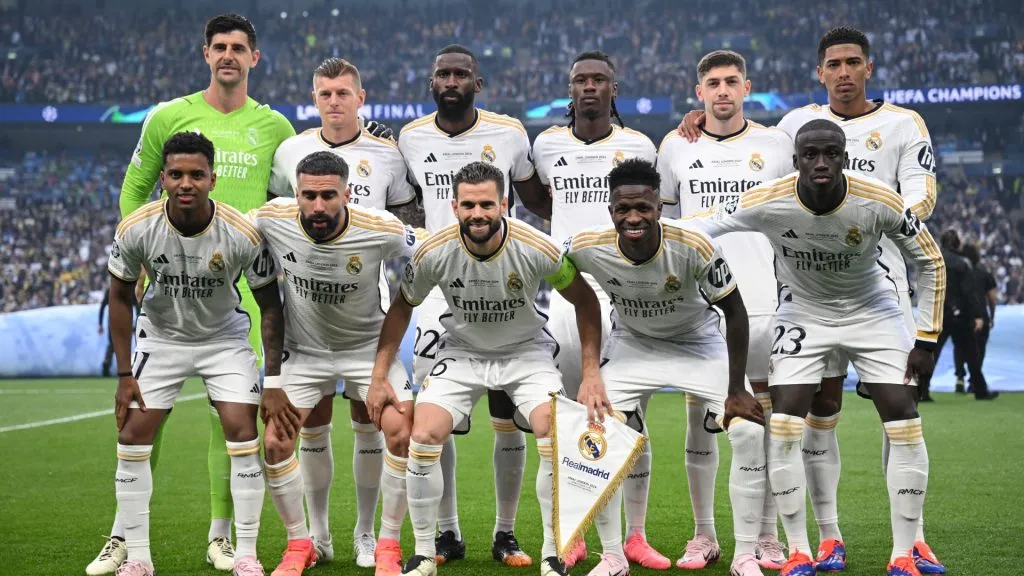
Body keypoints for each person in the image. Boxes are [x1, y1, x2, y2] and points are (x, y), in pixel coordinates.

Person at [677, 27, 944, 574]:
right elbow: (740, 177)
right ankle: (821, 540)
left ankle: (911, 542)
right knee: (815, 411)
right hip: (803, 298)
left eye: (853, 62)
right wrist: (697, 129)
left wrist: (881, 222)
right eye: (833, 64)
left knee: (897, 408)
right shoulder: (792, 126)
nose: (843, 72)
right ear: (819, 72)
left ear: (868, 67)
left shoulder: (902, 127)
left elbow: (922, 208)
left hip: (879, 277)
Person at [90, 14, 295, 575]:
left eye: (239, 48)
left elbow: (291, 199)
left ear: (255, 58)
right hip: (170, 282)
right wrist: (149, 253)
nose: (228, 55)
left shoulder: (276, 126)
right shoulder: (168, 117)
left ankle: (223, 537)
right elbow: (135, 188)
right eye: (219, 47)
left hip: (242, 289)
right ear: (206, 54)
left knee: (232, 422)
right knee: (140, 419)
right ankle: (122, 537)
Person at [366, 161, 603, 576]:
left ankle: (553, 553)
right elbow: (403, 305)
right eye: (470, 205)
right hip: (462, 353)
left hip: (525, 353)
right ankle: (424, 552)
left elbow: (586, 300)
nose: (479, 214)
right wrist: (380, 373)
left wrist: (590, 372)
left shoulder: (537, 246)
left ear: (504, 205)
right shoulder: (433, 252)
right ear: (455, 206)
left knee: (553, 431)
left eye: (488, 205)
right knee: (423, 434)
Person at [566, 158, 768, 576]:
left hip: (699, 344)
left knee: (748, 430)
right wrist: (590, 370)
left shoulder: (694, 244)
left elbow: (735, 310)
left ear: (660, 207)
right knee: (596, 432)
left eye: (643, 207)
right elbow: (555, 273)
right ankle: (612, 556)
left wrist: (735, 390)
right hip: (632, 346)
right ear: (611, 212)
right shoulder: (587, 246)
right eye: (623, 209)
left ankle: (745, 555)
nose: (633, 217)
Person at [267, 56, 425, 569]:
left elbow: (414, 228)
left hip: (366, 328)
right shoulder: (290, 151)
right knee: (295, 429)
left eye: (343, 93)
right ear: (314, 98)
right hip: (305, 337)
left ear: (360, 97)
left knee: (379, 423)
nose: (334, 101)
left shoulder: (387, 154)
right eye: (324, 93)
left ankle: (368, 535)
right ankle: (313, 537)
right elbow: (262, 228)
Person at [397, 44, 550, 567]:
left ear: (476, 83)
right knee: (437, 419)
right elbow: (401, 203)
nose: (452, 80)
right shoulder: (410, 137)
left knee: (508, 413)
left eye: (461, 73)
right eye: (443, 73)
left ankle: (505, 533)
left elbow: (538, 200)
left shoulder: (509, 133)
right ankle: (446, 533)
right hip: (438, 289)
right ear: (431, 81)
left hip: (500, 286)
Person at [105, 132, 283, 576]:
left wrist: (274, 379)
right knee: (131, 436)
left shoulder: (242, 232)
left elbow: (271, 307)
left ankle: (244, 553)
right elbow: (119, 297)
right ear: (162, 178)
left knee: (242, 431)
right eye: (177, 174)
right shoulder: (136, 228)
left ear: (213, 179)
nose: (187, 183)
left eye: (197, 174)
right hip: (161, 339)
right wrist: (125, 372)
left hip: (223, 339)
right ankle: (138, 558)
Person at [657, 49, 792, 570]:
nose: (722, 91)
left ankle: (766, 537)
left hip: (764, 302)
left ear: (747, 86)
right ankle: (704, 535)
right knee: (700, 421)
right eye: (712, 83)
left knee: (765, 422)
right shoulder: (675, 146)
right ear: (699, 93)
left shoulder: (775, 145)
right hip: (701, 306)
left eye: (731, 81)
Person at [530, 50, 661, 570]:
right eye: (580, 80)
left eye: (599, 80)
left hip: (627, 294)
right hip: (567, 293)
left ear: (614, 87)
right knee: (570, 417)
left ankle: (635, 535)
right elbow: (542, 201)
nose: (589, 87)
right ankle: (576, 528)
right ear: (570, 89)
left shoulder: (637, 145)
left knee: (632, 418)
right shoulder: (546, 144)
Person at [934, 231, 998, 401]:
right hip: (960, 315)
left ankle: (920, 391)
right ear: (957, 244)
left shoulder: (933, 260)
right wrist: (977, 315)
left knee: (932, 353)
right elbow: (969, 292)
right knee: (972, 354)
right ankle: (980, 390)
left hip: (938, 312)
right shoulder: (963, 263)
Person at [953, 241, 997, 394]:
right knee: (979, 350)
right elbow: (992, 298)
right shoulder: (985, 274)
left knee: (959, 347)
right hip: (981, 316)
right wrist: (992, 316)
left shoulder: (958, 273)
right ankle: (974, 381)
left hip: (962, 316)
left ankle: (960, 376)